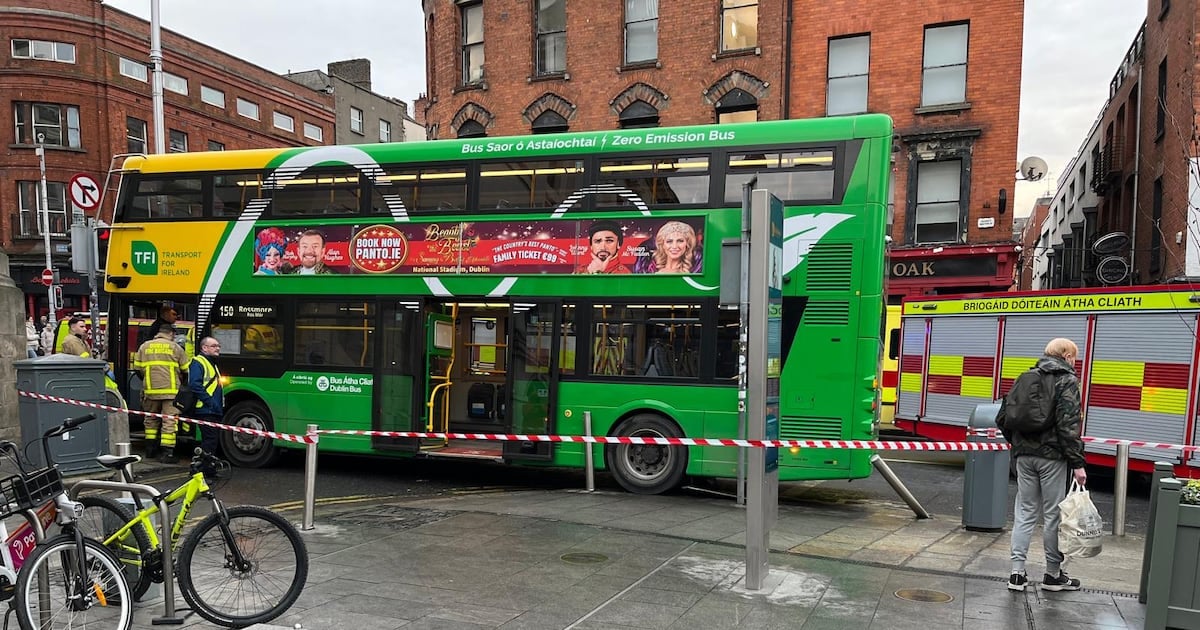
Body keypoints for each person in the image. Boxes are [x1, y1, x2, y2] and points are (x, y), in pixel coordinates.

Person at [997, 337, 1088, 593]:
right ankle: (1053, 574)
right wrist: (1077, 463)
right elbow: (1068, 426)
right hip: (1052, 458)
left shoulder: (1025, 377)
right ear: (1067, 355)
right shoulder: (1067, 380)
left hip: (1024, 457)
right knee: (1052, 517)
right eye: (1074, 355)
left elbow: (1003, 417)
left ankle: (1016, 574)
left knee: (1024, 513)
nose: (1075, 360)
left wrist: (1019, 445)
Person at [134, 322, 189, 462]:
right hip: (171, 392)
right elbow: (186, 369)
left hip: (150, 390)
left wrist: (148, 380)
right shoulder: (175, 348)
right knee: (169, 421)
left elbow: (137, 369)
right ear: (171, 334)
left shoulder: (144, 347)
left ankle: (150, 450)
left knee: (151, 419)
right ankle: (167, 453)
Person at [187, 337, 224, 476]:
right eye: (214, 346)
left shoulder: (211, 362)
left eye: (218, 345)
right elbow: (195, 385)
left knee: (212, 440)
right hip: (205, 409)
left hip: (211, 409)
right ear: (204, 348)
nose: (217, 348)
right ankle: (201, 470)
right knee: (210, 440)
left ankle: (207, 469)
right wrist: (210, 402)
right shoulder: (199, 362)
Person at [635, 221, 701, 274]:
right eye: (669, 241)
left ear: (687, 244)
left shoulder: (694, 270)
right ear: (662, 245)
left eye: (680, 241)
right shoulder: (649, 269)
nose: (674, 246)